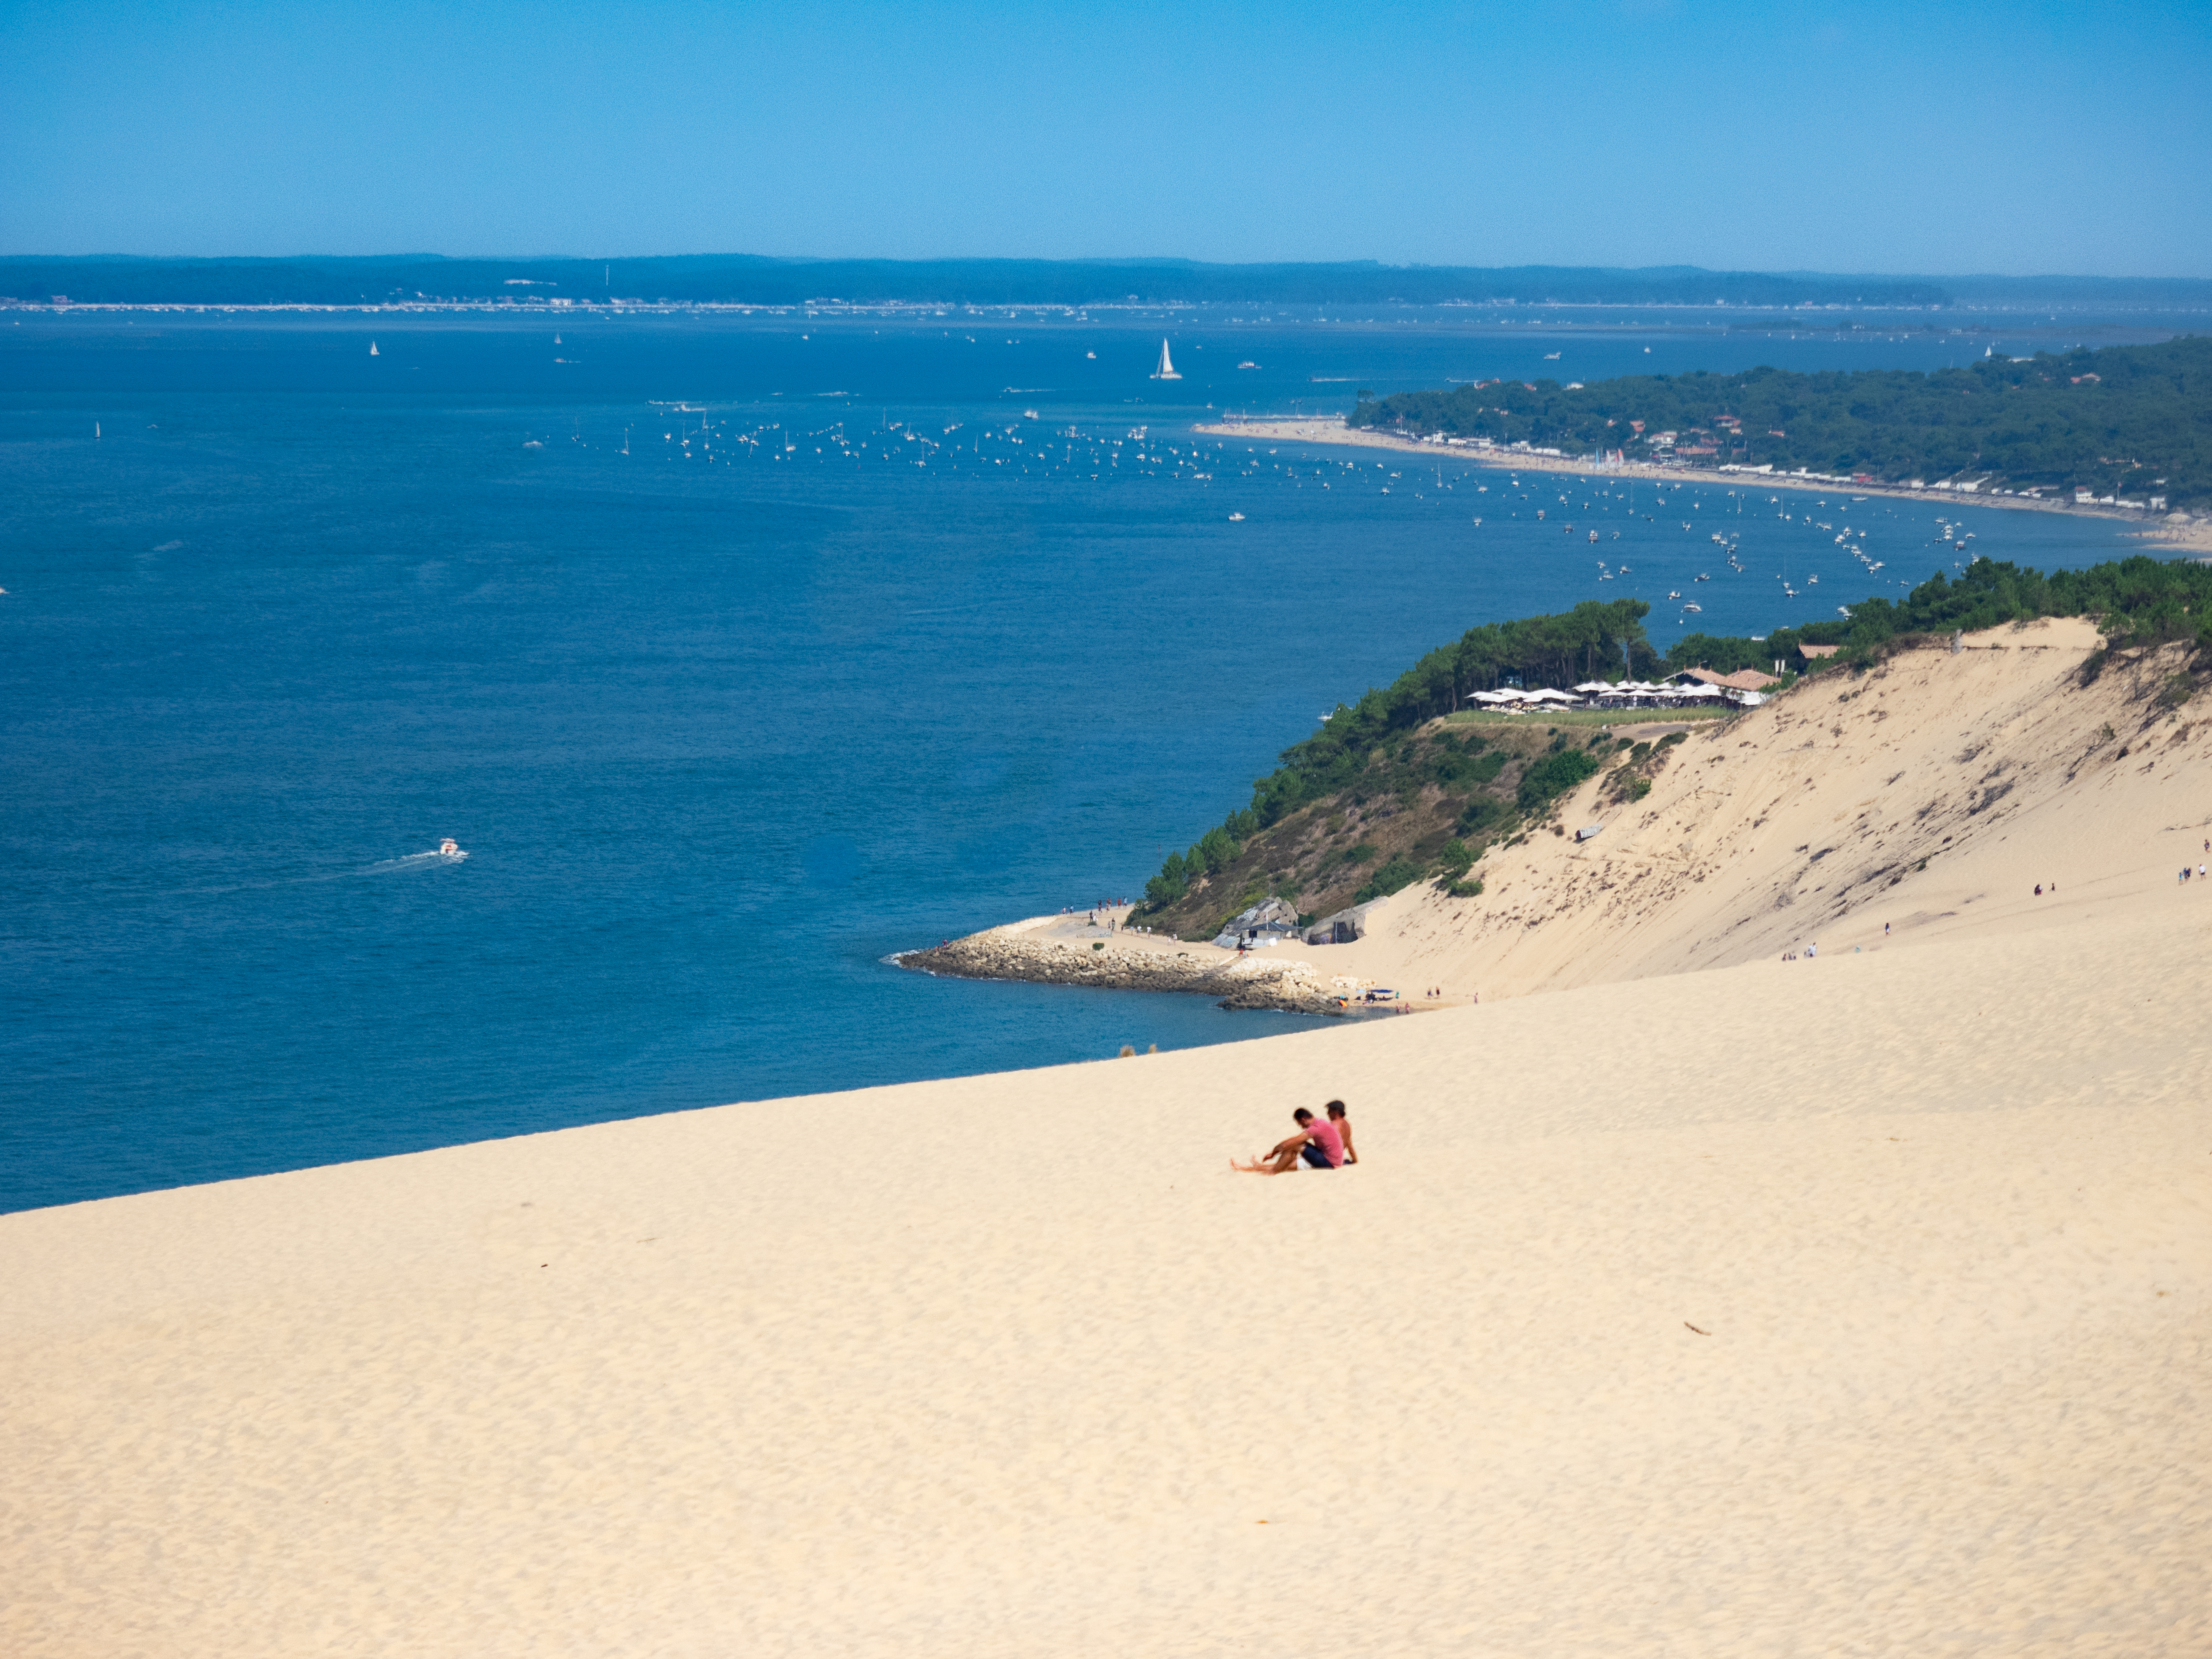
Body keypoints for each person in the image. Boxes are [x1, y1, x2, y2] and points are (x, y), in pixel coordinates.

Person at [1233, 1106, 1344, 1175]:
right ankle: (1247, 1168)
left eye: (1300, 1124)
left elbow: (1294, 1141)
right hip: (1329, 1159)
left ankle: (1272, 1173)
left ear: (1303, 1120)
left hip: (1330, 1162)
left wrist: (1274, 1153)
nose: (1301, 1127)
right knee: (1284, 1165)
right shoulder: (1320, 1122)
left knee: (1295, 1145)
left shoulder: (1316, 1128)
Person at [1326, 1099, 1358, 1166]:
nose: (1328, 1113)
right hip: (1338, 1160)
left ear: (1336, 1113)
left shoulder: (1334, 1125)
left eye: (1329, 1111)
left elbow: (1327, 1146)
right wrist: (1355, 1160)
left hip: (1328, 1161)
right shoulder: (1347, 1125)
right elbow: (1349, 1145)